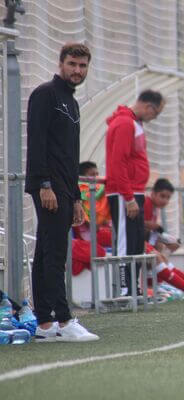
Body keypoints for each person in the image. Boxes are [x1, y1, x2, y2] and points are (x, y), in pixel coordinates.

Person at [25, 42, 99, 341]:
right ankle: (65, 320)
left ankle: (45, 323)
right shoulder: (46, 94)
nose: (77, 71)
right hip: (48, 187)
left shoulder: (72, 101)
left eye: (82, 66)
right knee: (55, 255)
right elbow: (36, 141)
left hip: (65, 190)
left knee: (46, 254)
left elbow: (71, 154)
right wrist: (44, 185)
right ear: (61, 64)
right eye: (72, 64)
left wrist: (77, 197)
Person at [105, 90, 165, 297]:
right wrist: (128, 198)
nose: (153, 118)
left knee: (136, 241)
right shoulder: (124, 123)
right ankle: (124, 289)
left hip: (132, 192)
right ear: (150, 107)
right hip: (125, 194)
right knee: (124, 242)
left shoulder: (132, 123)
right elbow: (117, 162)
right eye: (155, 114)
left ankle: (132, 287)